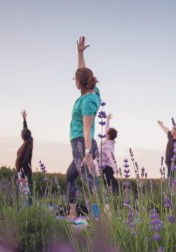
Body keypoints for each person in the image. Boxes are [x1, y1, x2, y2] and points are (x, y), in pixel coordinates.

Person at [66, 36, 101, 220]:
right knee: (70, 176)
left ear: (79, 83)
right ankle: (72, 213)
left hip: (82, 144)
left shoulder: (88, 101)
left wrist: (87, 153)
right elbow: (82, 72)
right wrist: (79, 53)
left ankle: (106, 216)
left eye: (75, 79)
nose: (74, 80)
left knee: (90, 181)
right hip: (80, 144)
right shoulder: (93, 92)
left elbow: (87, 128)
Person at [15, 110, 33, 205]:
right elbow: (26, 131)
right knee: (27, 192)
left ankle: (27, 212)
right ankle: (28, 209)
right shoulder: (29, 142)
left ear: (23, 136)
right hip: (26, 171)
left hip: (23, 172)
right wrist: (24, 120)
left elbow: (21, 161)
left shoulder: (25, 146)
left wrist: (21, 175)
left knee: (25, 193)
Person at [101, 113, 119, 193]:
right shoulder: (107, 141)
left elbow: (111, 157)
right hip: (103, 167)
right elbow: (106, 129)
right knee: (107, 185)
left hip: (107, 168)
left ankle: (115, 199)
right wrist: (107, 120)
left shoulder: (109, 146)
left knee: (111, 185)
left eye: (107, 133)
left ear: (108, 135)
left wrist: (115, 169)